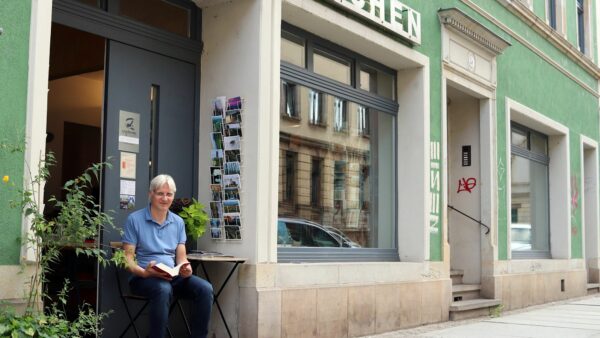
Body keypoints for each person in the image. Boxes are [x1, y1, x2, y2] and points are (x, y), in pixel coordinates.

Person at [122, 174, 213, 338]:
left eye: (169, 194)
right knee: (163, 289)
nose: (165, 198)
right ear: (151, 194)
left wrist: (186, 269)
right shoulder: (134, 220)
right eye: (160, 193)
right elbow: (127, 259)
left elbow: (181, 257)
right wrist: (144, 272)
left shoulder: (178, 222)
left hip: (172, 276)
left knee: (205, 289)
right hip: (144, 278)